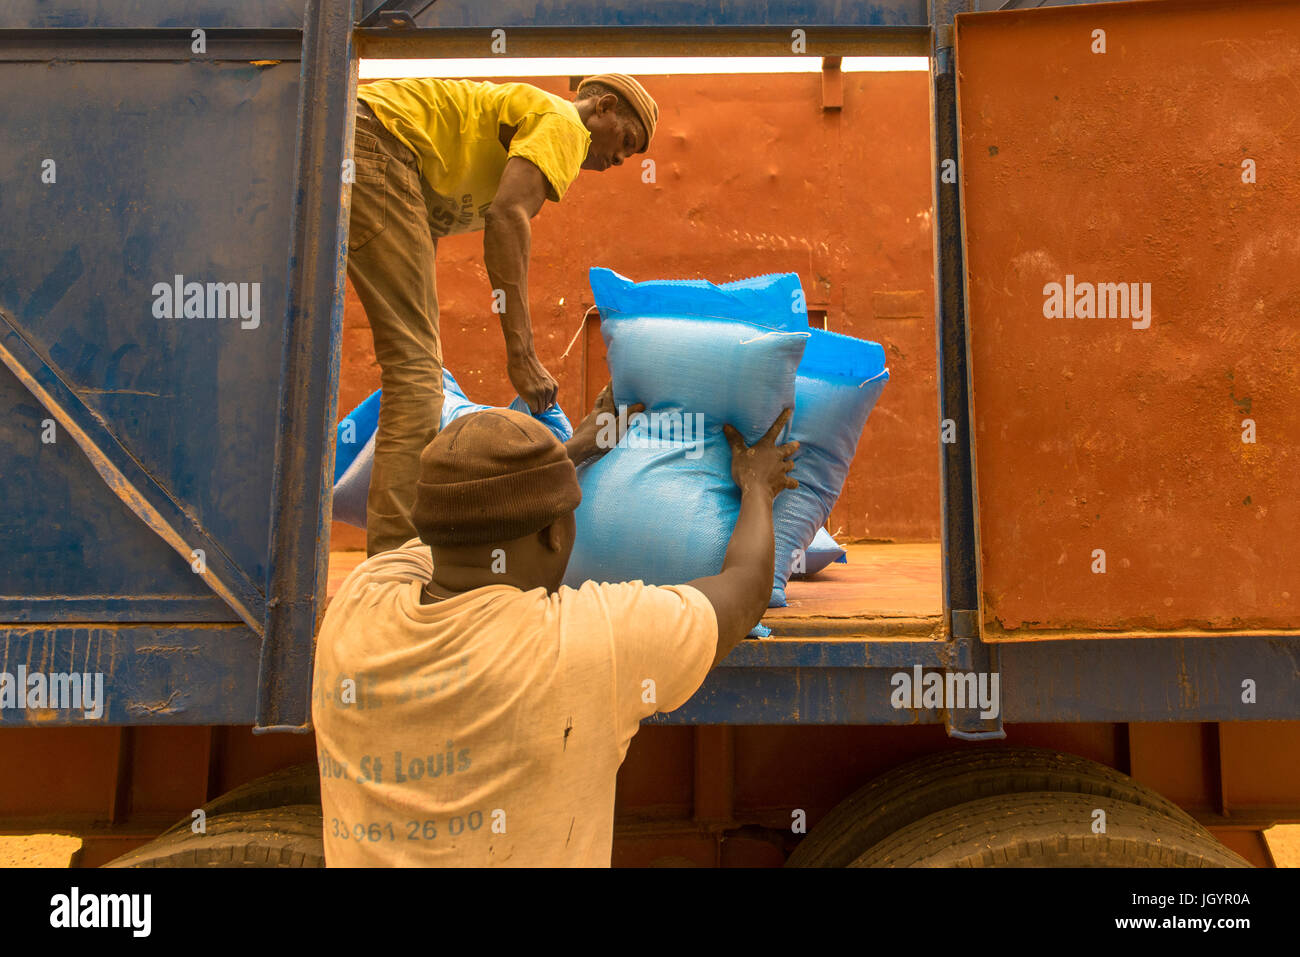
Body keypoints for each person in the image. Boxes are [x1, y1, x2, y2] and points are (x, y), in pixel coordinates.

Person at [311, 390, 798, 866]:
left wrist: (568, 456)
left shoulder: (359, 602)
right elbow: (745, 589)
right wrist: (757, 487)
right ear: (558, 532)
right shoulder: (587, 642)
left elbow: (470, 519)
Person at [347, 73, 659, 555]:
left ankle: (393, 555)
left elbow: (441, 214)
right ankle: (393, 569)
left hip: (356, 136)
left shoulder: (494, 139)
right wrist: (522, 355)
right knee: (416, 377)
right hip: (374, 141)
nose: (620, 160)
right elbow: (507, 216)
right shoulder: (564, 122)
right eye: (627, 141)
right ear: (604, 107)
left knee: (415, 370)